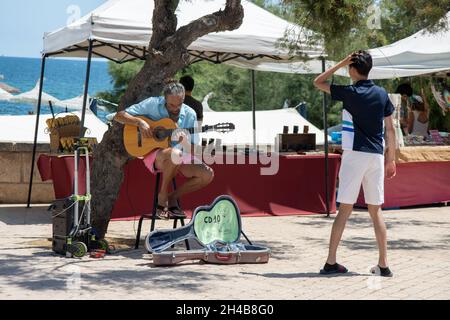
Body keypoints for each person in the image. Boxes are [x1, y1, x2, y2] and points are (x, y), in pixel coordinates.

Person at [313, 50, 397, 277]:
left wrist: (339, 62)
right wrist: (391, 160)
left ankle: (331, 262)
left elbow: (318, 82)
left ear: (352, 69)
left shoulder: (349, 92)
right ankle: (383, 264)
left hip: (354, 155)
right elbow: (390, 129)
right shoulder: (381, 94)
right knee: (375, 210)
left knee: (344, 210)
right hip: (377, 156)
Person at [114, 80, 214, 219]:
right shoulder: (152, 104)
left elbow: (192, 149)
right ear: (164, 98)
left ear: (184, 98)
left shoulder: (190, 114)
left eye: (179, 104)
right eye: (171, 104)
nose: (175, 108)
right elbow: (118, 116)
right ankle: (162, 196)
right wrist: (140, 122)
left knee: (207, 175)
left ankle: (172, 197)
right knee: (176, 154)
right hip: (155, 154)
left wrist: (185, 142)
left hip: (180, 154)